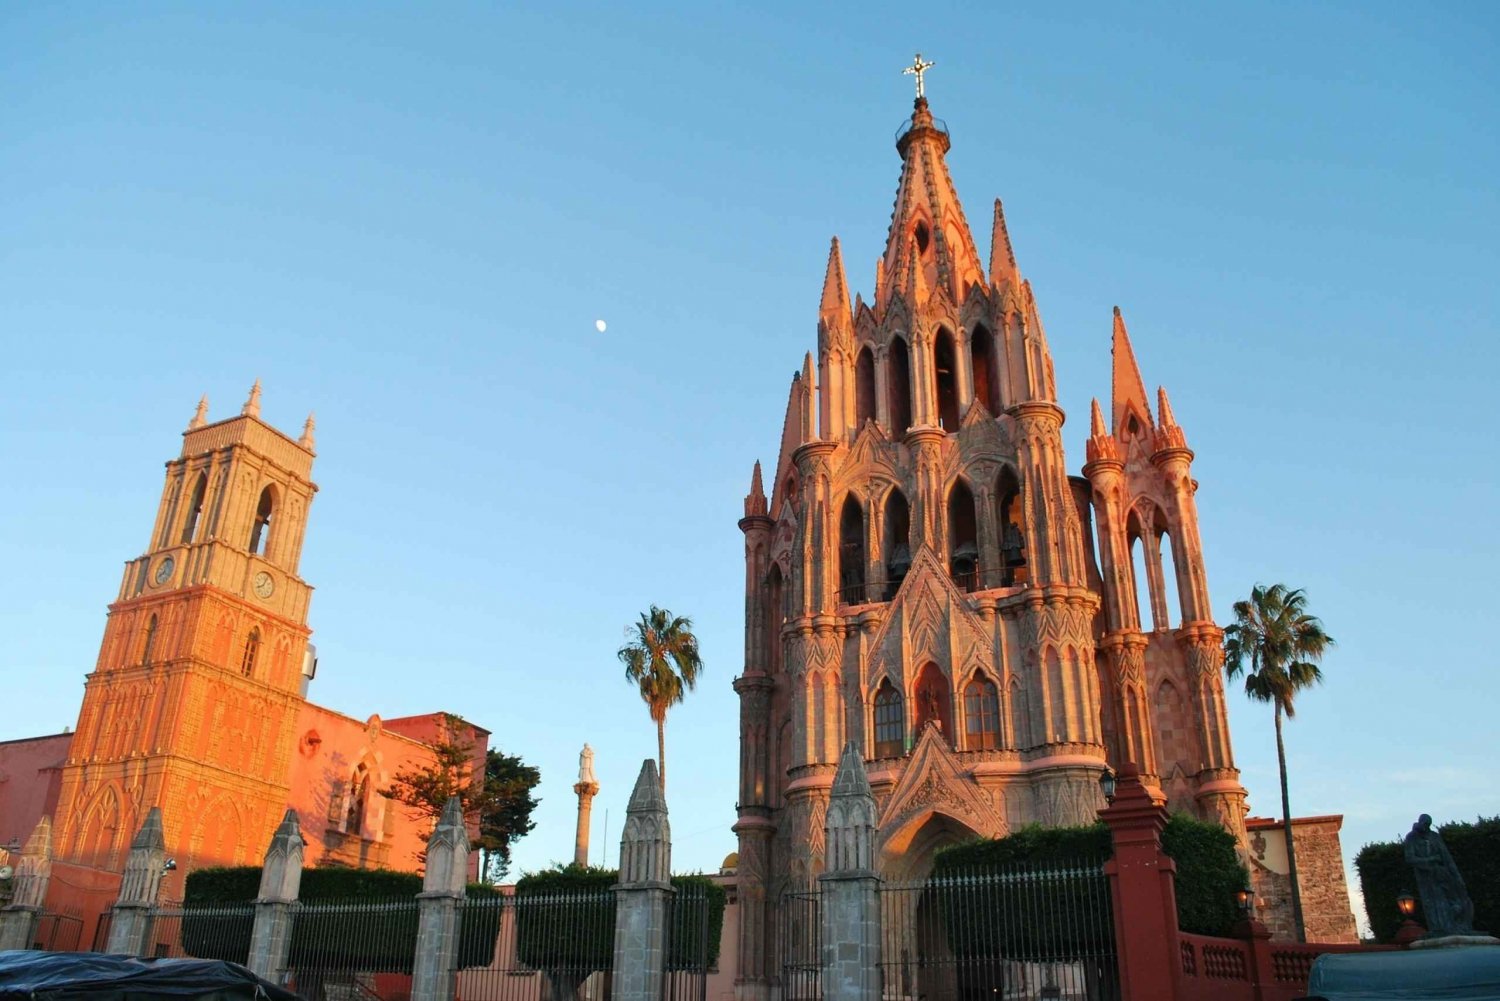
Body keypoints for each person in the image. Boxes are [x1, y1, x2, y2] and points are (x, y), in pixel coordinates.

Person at [1403, 813, 1476, 936]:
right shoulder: (1411, 837)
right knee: (1433, 902)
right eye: (1424, 824)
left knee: (1454, 898)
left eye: (1428, 824)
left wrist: (1456, 875)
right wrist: (1430, 859)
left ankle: (1458, 925)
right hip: (1426, 877)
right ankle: (1440, 928)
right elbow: (1410, 858)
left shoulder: (1435, 837)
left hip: (1442, 873)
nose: (1426, 827)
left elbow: (1447, 857)